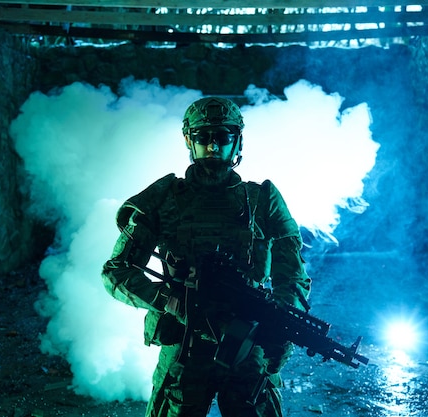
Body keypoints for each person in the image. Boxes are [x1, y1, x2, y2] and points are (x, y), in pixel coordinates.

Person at [102, 97, 311, 417]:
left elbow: (292, 275)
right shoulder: (165, 198)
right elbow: (116, 271)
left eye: (223, 136)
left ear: (237, 141)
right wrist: (172, 302)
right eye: (203, 137)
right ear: (188, 139)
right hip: (184, 345)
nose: (213, 145)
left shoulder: (262, 200)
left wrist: (282, 326)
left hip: (247, 342)